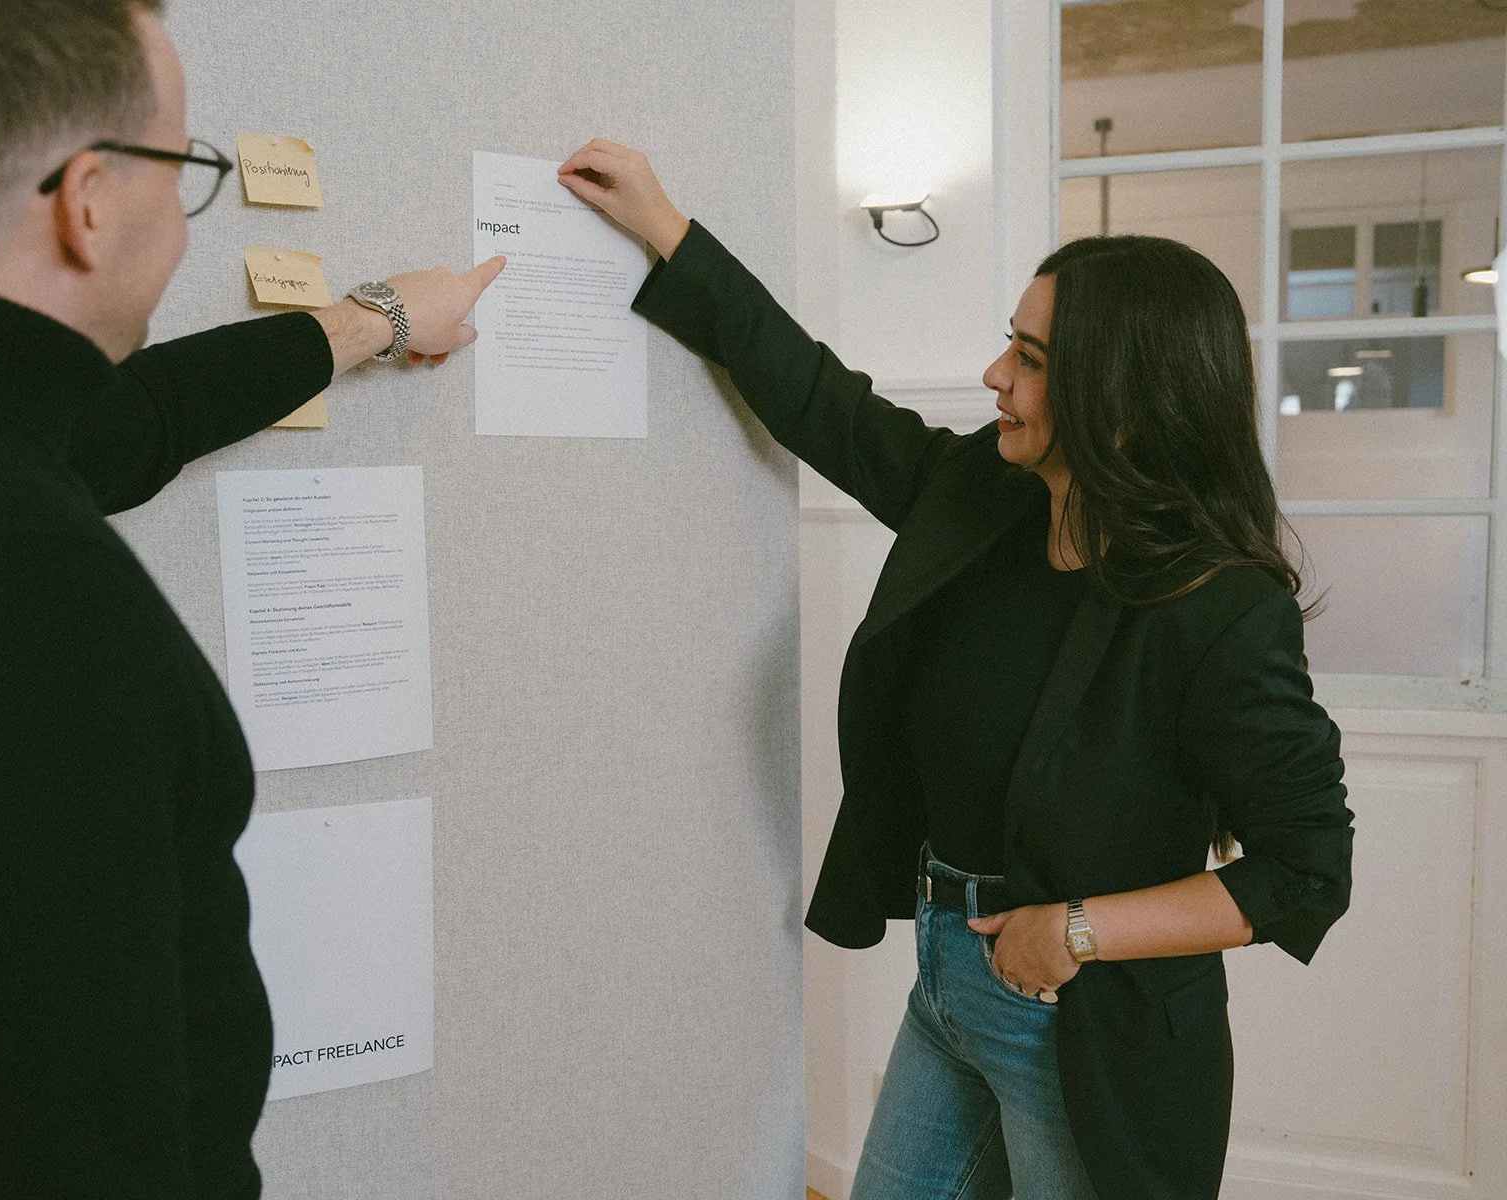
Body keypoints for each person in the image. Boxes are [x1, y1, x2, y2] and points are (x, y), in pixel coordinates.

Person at [556, 139, 1354, 1200]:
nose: (995, 378)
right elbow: (819, 401)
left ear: (1118, 404)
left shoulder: (1217, 609)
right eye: (1008, 345)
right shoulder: (983, 498)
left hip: (1085, 1021)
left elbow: (1306, 871)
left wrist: (1073, 931)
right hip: (947, 981)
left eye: (1030, 360)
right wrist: (665, 230)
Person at [0, 1, 502, 1194]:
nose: (182, 228)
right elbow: (65, 1140)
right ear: (86, 201)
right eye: (185, 173)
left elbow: (125, 423)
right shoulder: (31, 597)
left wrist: (369, 322)